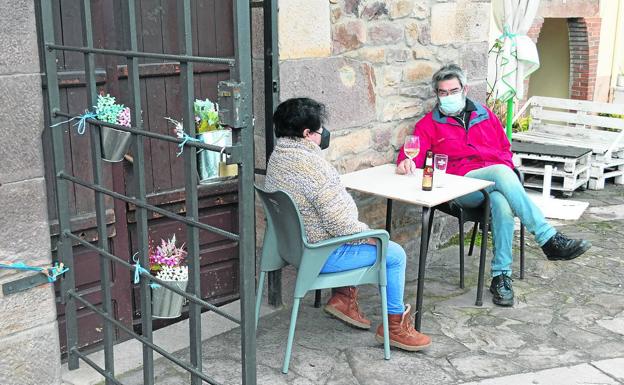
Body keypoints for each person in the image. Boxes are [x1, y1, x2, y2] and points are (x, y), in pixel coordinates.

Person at [396, 64, 591, 307]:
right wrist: (406, 161)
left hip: (494, 183)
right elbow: (411, 154)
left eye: (453, 90)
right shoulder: (429, 124)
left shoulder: (485, 115)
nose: (448, 96)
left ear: (464, 89)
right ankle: (547, 237)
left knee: (501, 201)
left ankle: (501, 277)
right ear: (437, 94)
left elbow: (504, 149)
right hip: (460, 188)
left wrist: (505, 171)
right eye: (442, 93)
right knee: (501, 172)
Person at [265, 97, 431, 351]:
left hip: (291, 249)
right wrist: (373, 236)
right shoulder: (315, 168)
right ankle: (395, 327)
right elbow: (343, 225)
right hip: (319, 255)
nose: (324, 135)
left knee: (359, 234)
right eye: (320, 131)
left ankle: (343, 299)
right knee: (393, 252)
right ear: (307, 133)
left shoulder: (277, 158)